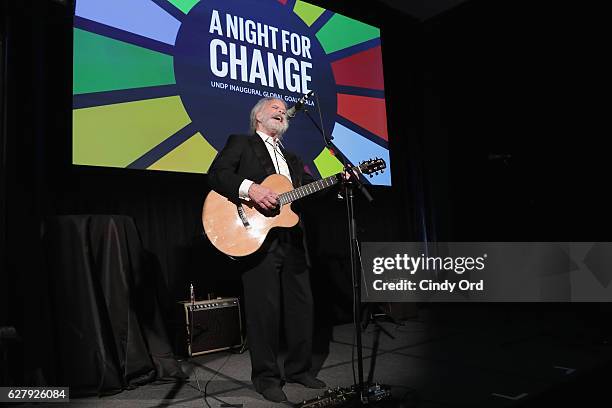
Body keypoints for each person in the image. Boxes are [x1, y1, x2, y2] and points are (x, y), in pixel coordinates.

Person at [207, 97, 326, 403]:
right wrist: (253, 189)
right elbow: (217, 174)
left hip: (293, 240)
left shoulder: (294, 158)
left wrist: (339, 184)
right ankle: (266, 378)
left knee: (302, 308)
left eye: (283, 108)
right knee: (265, 312)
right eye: (273, 106)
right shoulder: (241, 143)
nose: (280, 109)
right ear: (257, 116)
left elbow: (307, 193)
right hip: (257, 239)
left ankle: (299, 370)